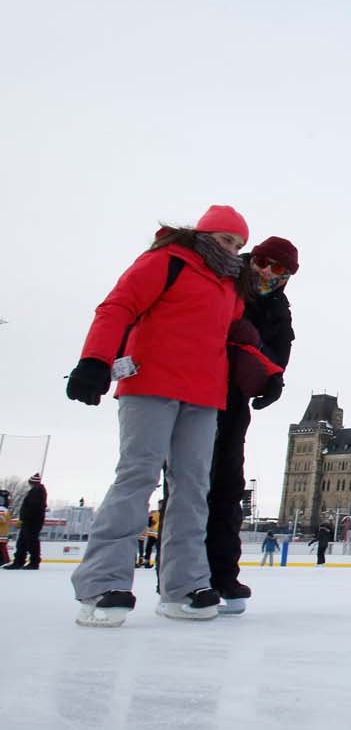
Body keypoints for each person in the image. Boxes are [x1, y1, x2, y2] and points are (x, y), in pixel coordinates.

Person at [64, 205, 255, 627]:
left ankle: (184, 586)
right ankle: (101, 584)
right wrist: (95, 359)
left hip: (203, 396)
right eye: (227, 240)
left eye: (239, 245)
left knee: (193, 489)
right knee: (137, 477)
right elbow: (117, 306)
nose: (232, 250)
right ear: (204, 233)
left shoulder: (231, 289)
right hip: (150, 384)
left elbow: (230, 336)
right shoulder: (165, 262)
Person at [205, 236, 298, 614]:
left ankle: (223, 574)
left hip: (233, 401)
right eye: (262, 261)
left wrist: (274, 378)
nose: (267, 272)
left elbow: (281, 349)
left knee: (228, 488)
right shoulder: (222, 282)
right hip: (193, 394)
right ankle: (183, 577)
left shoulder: (279, 307)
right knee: (190, 487)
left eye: (279, 269)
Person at [5, 474, 47, 570]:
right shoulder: (35, 491)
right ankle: (19, 561)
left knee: (31, 542)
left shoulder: (37, 492)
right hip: (29, 521)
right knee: (22, 542)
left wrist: (23, 519)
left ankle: (33, 562)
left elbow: (32, 508)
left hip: (32, 522)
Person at [0, 490, 12, 566]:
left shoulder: (2, 509)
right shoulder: (4, 508)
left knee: (2, 547)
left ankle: (5, 560)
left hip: (1, 533)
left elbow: (2, 519)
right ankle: (3, 560)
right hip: (2, 532)